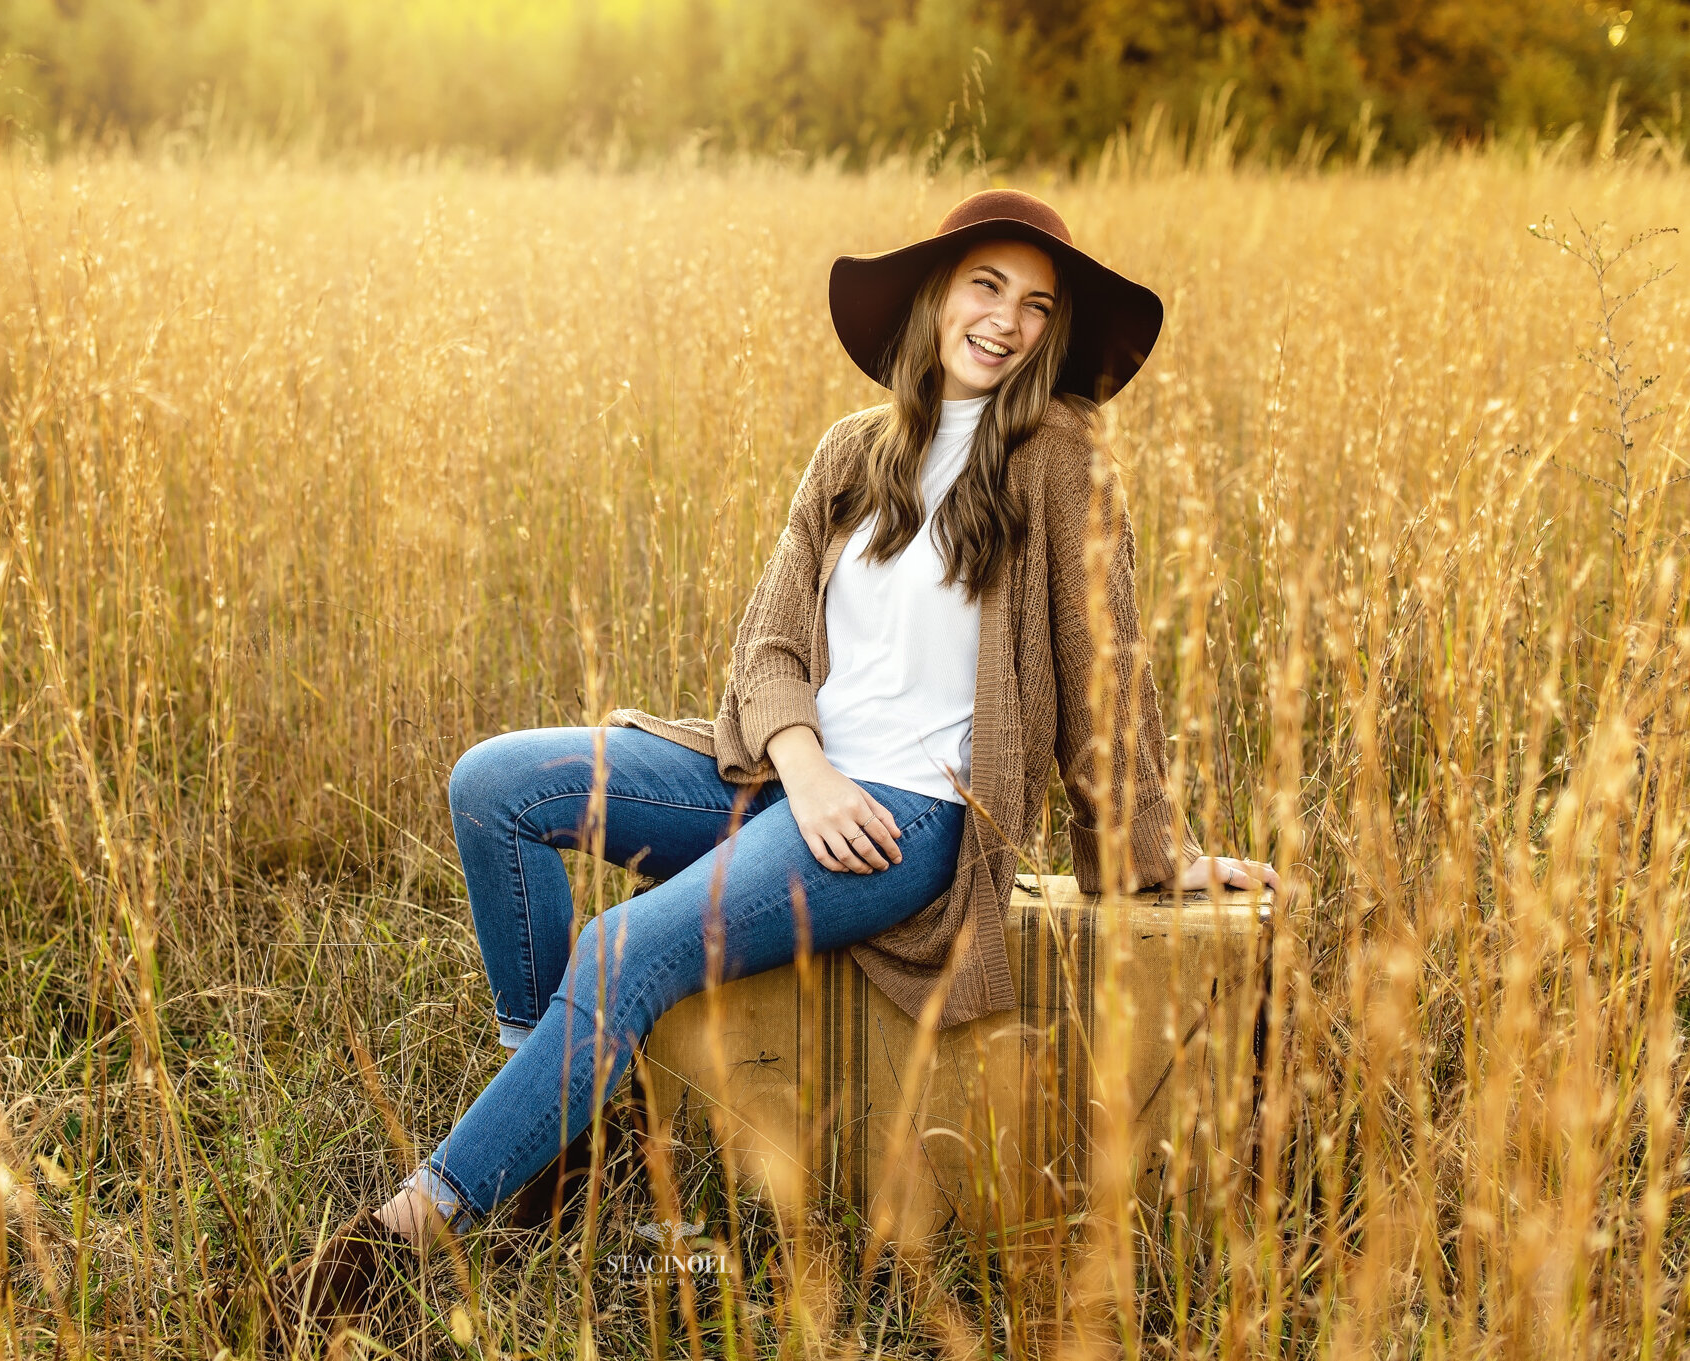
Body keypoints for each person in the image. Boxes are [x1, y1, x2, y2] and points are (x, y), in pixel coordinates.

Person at [275, 188, 1281, 1329]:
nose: (1006, 320)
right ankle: (568, 1134)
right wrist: (801, 761)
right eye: (985, 286)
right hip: (783, 778)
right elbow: (768, 643)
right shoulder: (854, 451)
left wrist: (1157, 854)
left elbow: (1109, 673)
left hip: (905, 821)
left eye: (1037, 305)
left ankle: (403, 1231)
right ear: (935, 296)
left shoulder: (1061, 461)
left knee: (619, 951)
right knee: (493, 783)